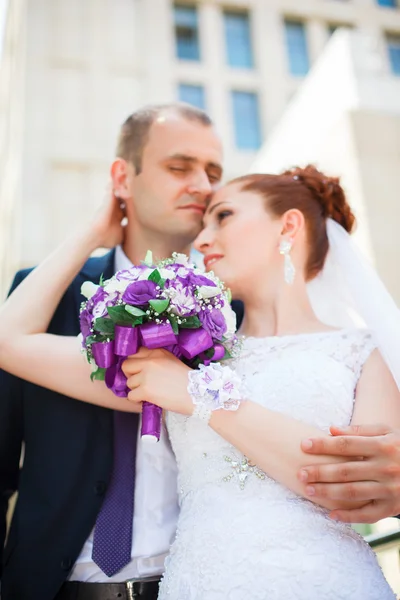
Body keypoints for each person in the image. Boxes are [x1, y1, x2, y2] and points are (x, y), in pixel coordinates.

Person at [1, 165, 399, 598]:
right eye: (204, 222)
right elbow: (10, 342)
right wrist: (93, 232)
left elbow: (347, 485)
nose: (202, 238)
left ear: (288, 225)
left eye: (223, 216)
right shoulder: (179, 352)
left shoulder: (366, 353)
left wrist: (196, 394)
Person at [0, 102, 229, 600]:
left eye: (213, 171)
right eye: (179, 166)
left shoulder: (232, 310)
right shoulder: (39, 301)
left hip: (193, 586)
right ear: (122, 177)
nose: (204, 185)